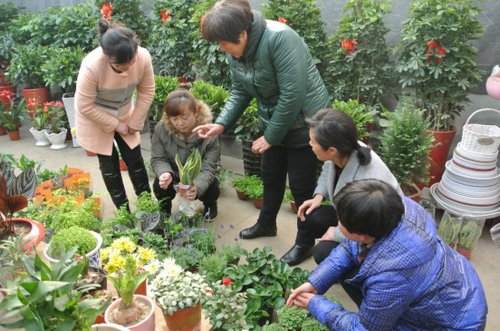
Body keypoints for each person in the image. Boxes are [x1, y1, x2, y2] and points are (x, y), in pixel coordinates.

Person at [194, 0, 331, 241]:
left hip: (305, 123)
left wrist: (270, 137)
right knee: (270, 176)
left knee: (301, 187)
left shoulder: (280, 39)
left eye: (223, 42)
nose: (221, 48)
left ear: (242, 33)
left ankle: (304, 241)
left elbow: (292, 96)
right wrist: (221, 124)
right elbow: (240, 91)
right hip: (274, 121)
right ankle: (267, 224)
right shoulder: (236, 51)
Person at [287, 179, 488, 331]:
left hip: (455, 322)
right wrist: (315, 282)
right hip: (456, 286)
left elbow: (364, 329)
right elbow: (350, 247)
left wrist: (315, 304)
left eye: (342, 223)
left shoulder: (391, 278)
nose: (337, 225)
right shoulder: (394, 208)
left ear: (363, 233)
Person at [282, 108, 401, 265]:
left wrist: (336, 234)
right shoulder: (344, 148)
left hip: (376, 232)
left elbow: (367, 225)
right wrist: (318, 196)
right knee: (311, 214)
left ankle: (353, 273)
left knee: (322, 253)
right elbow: (327, 170)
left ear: (331, 150)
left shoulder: (367, 179)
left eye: (313, 142)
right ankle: (303, 247)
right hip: (353, 215)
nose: (309, 144)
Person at [75, 19, 154, 210]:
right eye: (121, 66)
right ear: (107, 56)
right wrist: (115, 124)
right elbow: (85, 105)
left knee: (135, 159)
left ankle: (148, 208)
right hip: (95, 116)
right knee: (109, 164)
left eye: (132, 61)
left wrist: (135, 121)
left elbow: (147, 90)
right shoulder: (91, 66)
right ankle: (123, 211)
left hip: (125, 110)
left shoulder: (143, 56)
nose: (129, 67)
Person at [151, 89, 220, 219]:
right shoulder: (161, 129)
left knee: (212, 186)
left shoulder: (209, 132)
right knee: (159, 184)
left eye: (185, 117)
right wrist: (165, 173)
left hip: (198, 176)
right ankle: (164, 206)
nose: (180, 123)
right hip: (174, 174)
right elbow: (158, 158)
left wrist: (197, 187)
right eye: (174, 119)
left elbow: (209, 167)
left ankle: (210, 204)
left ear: (195, 112)